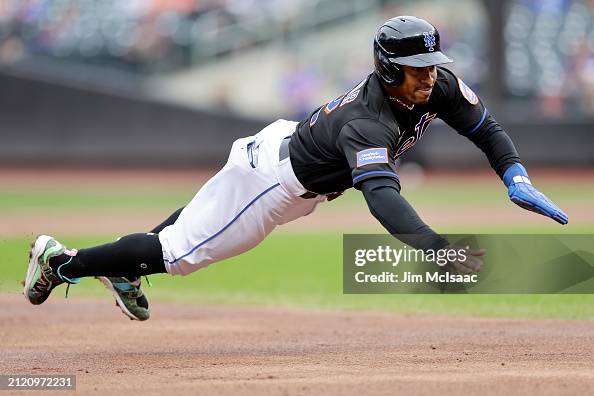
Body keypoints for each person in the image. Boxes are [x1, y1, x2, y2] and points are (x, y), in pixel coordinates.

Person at [23, 16, 568, 320]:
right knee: (179, 255)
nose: (428, 76)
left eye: (432, 63)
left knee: (187, 230)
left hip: (285, 145)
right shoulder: (368, 122)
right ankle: (62, 261)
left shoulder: (436, 86)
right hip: (275, 184)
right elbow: (381, 196)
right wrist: (434, 248)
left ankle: (122, 265)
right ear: (385, 69)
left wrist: (515, 174)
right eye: (415, 68)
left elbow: (486, 129)